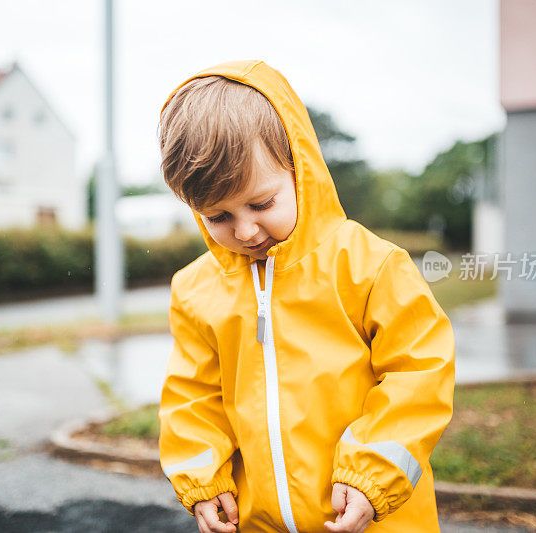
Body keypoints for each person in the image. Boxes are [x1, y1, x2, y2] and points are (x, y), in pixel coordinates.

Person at [157, 60, 455, 533]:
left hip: (374, 517)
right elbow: (192, 396)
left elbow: (419, 370)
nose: (247, 230)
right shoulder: (195, 290)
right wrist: (201, 481)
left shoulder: (368, 265)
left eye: (261, 204)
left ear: (301, 167)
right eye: (218, 217)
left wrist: (372, 475)